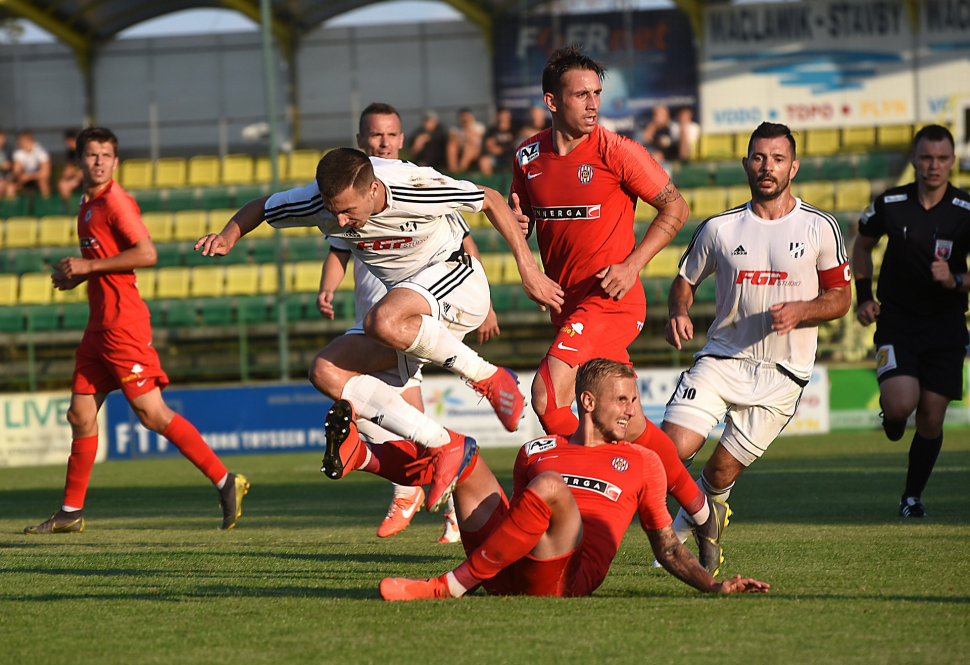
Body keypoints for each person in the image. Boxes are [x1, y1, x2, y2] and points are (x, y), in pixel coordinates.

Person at [197, 148, 563, 513]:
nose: (339, 222)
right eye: (333, 209)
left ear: (373, 190)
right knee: (326, 371)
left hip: (459, 282)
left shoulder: (413, 186)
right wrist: (229, 235)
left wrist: (528, 270)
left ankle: (489, 376)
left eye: (348, 211)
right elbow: (262, 206)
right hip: (410, 312)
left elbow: (491, 199)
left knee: (382, 320)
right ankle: (442, 443)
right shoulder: (320, 203)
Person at [508, 46, 724, 574]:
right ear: (551, 100)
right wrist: (526, 260)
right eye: (581, 94)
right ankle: (698, 508)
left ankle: (584, 500)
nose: (592, 103)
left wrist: (632, 264)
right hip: (570, 307)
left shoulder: (618, 150)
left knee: (545, 392)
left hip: (614, 299)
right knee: (622, 422)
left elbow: (676, 206)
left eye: (597, 94)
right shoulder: (528, 158)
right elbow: (521, 222)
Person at [350, 359, 769, 599]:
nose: (632, 410)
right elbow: (518, 520)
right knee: (464, 452)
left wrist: (714, 586)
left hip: (566, 579)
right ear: (587, 402)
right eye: (622, 399)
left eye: (635, 400)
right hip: (511, 569)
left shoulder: (643, 461)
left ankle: (448, 586)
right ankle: (364, 454)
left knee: (550, 486)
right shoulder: (536, 449)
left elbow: (668, 547)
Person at [24, 127, 249, 535]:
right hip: (99, 327)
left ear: (115, 161)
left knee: (152, 413)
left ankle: (225, 480)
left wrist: (88, 267)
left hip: (123, 325)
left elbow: (147, 253)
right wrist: (80, 276)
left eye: (106, 155)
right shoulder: (87, 203)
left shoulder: (115, 202)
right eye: (91, 155)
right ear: (78, 162)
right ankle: (71, 513)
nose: (98, 161)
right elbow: (110, 258)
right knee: (79, 415)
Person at [661, 121, 851, 554]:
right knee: (670, 451)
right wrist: (679, 310)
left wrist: (804, 310)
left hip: (783, 374)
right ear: (747, 163)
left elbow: (840, 299)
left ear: (793, 167)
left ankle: (707, 519)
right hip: (722, 359)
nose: (768, 167)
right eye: (760, 158)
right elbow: (684, 280)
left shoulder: (820, 227)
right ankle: (681, 531)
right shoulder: (719, 229)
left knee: (721, 473)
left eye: (778, 159)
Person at [316, 102, 499, 542]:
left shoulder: (419, 185)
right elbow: (338, 248)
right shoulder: (348, 203)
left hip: (414, 315)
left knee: (400, 418)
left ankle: (421, 490)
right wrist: (327, 288)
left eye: (391, 135)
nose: (383, 142)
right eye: (375, 135)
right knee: (374, 414)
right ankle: (440, 490)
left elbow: (461, 239)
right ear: (361, 142)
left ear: (401, 139)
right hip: (375, 316)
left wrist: (485, 304)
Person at [853, 124, 970, 518]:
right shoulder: (890, 203)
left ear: (952, 160)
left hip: (947, 326)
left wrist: (955, 280)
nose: (933, 166)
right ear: (915, 160)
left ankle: (911, 496)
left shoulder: (966, 210)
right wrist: (864, 299)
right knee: (902, 406)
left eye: (941, 158)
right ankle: (892, 416)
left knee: (932, 419)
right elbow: (862, 246)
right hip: (898, 323)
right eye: (925, 157)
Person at [478, 107, 518, 177]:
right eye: (501, 115)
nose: (503, 118)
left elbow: (516, 143)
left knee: (517, 161)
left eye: (505, 115)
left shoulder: (515, 128)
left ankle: (515, 184)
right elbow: (488, 143)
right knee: (484, 161)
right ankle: (490, 184)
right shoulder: (493, 130)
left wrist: (502, 149)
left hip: (511, 155)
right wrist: (492, 148)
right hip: (495, 156)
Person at [12, 130, 51, 197]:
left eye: (19, 141)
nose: (17, 142)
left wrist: (29, 176)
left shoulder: (41, 152)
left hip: (37, 178)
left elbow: (45, 173)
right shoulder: (18, 152)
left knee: (43, 184)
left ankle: (46, 205)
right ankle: (12, 206)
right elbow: (16, 171)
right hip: (24, 178)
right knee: (11, 187)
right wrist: (21, 176)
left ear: (26, 141)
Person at [446, 108, 485, 173]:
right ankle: (453, 170)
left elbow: (472, 138)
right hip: (461, 150)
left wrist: (467, 127)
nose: (464, 119)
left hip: (476, 151)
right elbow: (452, 139)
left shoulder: (479, 127)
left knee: (469, 148)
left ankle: (461, 169)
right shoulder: (455, 128)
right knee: (451, 146)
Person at [58, 129, 84, 202]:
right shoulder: (70, 152)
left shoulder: (83, 150)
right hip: (77, 176)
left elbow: (87, 168)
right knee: (62, 184)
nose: (67, 144)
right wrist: (65, 177)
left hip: (86, 176)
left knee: (70, 183)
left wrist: (73, 179)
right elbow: (69, 167)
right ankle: (67, 206)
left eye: (68, 141)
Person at [0, 128, 15, 199]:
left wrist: (10, 165)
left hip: (7, 177)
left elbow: (14, 164)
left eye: (3, 138)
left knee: (11, 189)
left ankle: (9, 209)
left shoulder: (8, 149)